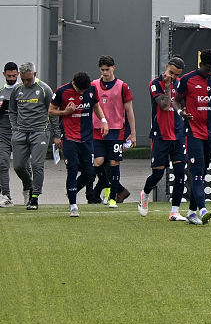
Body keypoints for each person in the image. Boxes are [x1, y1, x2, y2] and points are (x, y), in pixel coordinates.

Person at [177, 51, 211, 224]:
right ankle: (203, 208)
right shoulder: (188, 79)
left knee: (202, 172)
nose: (210, 72)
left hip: (210, 133)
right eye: (207, 69)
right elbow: (176, 100)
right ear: (200, 64)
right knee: (197, 172)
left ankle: (191, 213)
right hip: (193, 132)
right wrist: (180, 112)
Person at [7, 64, 57, 209]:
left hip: (40, 131)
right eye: (23, 79)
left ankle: (34, 197)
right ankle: (29, 184)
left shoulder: (44, 89)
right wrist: (15, 128)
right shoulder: (17, 89)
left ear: (34, 74)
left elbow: (53, 112)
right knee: (18, 166)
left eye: (28, 79)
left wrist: (56, 134)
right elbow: (12, 111)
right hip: (20, 132)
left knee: (36, 165)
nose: (25, 82)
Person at [141, 58, 187, 218]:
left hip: (178, 135)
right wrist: (167, 87)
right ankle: (145, 193)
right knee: (158, 174)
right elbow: (165, 105)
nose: (173, 77)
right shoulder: (155, 84)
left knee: (180, 173)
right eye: (171, 72)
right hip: (160, 135)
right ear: (166, 67)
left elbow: (182, 104)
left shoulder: (181, 84)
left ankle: (174, 211)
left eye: (176, 74)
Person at [89, 56, 136, 206]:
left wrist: (133, 133)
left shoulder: (122, 86)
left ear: (113, 68)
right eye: (102, 70)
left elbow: (129, 111)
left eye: (107, 69)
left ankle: (113, 197)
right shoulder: (93, 85)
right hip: (97, 129)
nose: (105, 72)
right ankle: (117, 189)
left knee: (114, 162)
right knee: (98, 162)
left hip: (116, 130)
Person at [55, 71, 93, 216]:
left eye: (84, 90)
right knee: (72, 169)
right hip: (69, 137)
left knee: (90, 173)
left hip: (86, 138)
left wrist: (103, 121)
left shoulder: (91, 89)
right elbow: (51, 111)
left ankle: (72, 190)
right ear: (73, 83)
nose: (82, 93)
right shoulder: (62, 91)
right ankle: (73, 205)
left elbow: (96, 105)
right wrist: (65, 112)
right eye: (79, 90)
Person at [0, 61, 15, 206]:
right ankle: (6, 195)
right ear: (4, 74)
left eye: (14, 76)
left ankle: (29, 189)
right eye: (9, 76)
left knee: (22, 166)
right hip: (3, 133)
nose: (11, 78)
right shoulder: (1, 92)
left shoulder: (22, 91)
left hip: (20, 132)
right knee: (3, 163)